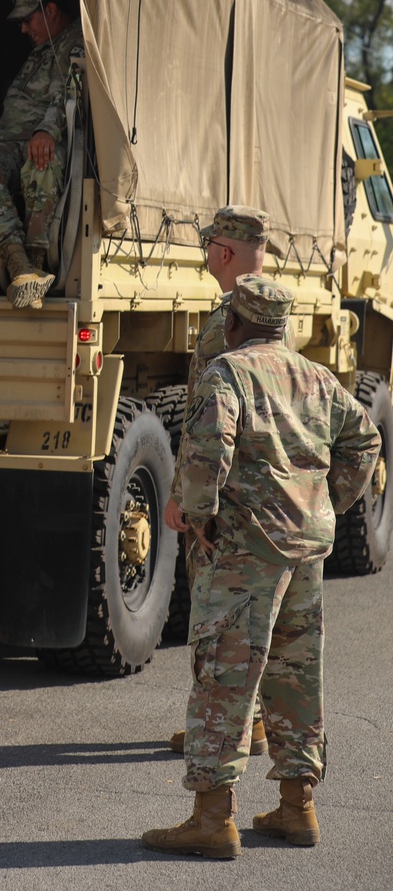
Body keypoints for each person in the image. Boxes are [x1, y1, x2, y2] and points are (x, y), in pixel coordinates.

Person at [142, 275, 380, 860]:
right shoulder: (316, 376)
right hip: (305, 546)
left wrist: (197, 515)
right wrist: (328, 503)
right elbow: (366, 441)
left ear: (235, 323)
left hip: (248, 550)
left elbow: (206, 451)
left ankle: (212, 818)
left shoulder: (227, 373)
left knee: (224, 673)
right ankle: (298, 806)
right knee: (295, 673)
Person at [164, 205, 294, 758]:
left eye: (210, 243)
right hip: (266, 492)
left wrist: (185, 499)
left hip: (226, 494)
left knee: (216, 617)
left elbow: (211, 420)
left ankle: (218, 731)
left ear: (222, 252)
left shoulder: (229, 321)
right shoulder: (270, 309)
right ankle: (254, 725)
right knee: (258, 620)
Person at [0, 0, 83, 309]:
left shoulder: (75, 46)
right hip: (11, 142)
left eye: (28, 19)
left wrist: (46, 130)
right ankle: (20, 265)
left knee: (41, 167)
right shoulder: (42, 51)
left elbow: (70, 95)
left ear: (52, 10)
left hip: (45, 141)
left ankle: (36, 261)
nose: (23, 29)